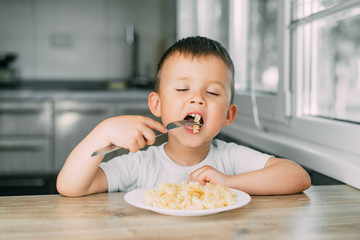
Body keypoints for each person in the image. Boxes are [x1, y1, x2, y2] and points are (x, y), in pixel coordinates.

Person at [57, 36, 311, 197]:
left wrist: (229, 182)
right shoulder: (140, 165)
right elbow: (70, 186)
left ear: (228, 115)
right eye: (182, 89)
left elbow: (298, 176)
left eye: (212, 92)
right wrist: (103, 130)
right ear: (157, 105)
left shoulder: (231, 159)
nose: (197, 99)